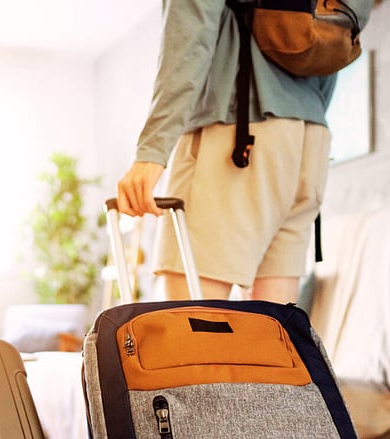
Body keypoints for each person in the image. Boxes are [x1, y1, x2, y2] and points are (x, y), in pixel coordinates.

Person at [115, 0, 373, 303]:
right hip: (309, 143)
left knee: (190, 331)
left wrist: (152, 151)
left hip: (237, 135)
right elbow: (337, 32)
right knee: (271, 332)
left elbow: (190, 33)